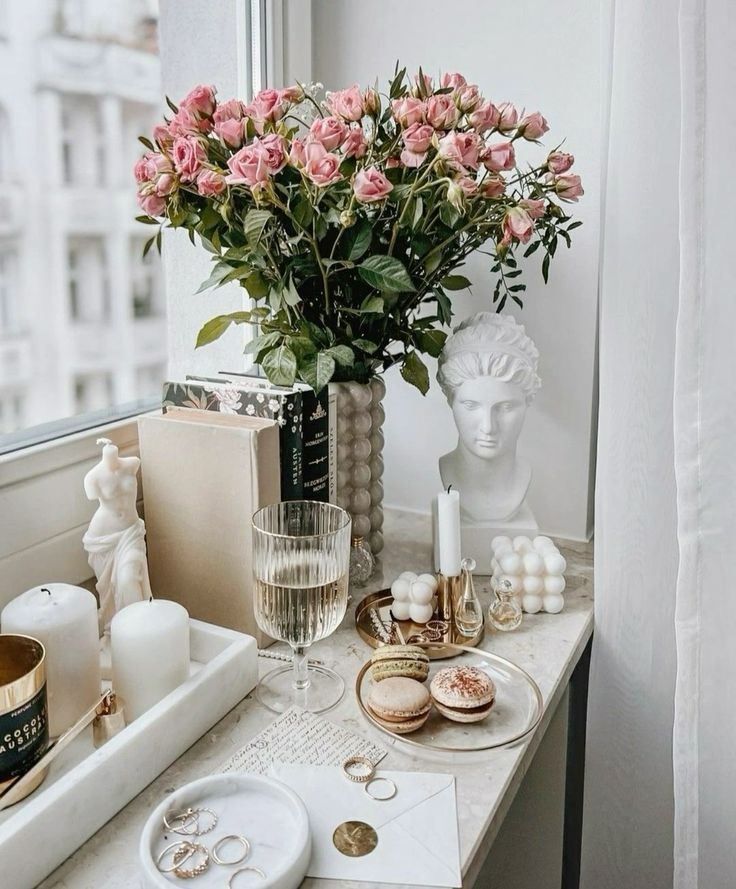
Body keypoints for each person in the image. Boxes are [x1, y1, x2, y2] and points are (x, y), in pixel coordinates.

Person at [437, 312, 541, 527]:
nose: (488, 427)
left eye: (505, 407)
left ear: (527, 402)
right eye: (471, 405)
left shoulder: (525, 475)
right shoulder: (445, 468)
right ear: (450, 400)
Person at [83, 438, 151, 631]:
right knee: (110, 593)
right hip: (103, 538)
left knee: (129, 579)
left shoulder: (132, 463)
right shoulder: (92, 478)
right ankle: (123, 632)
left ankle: (141, 628)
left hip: (130, 533)